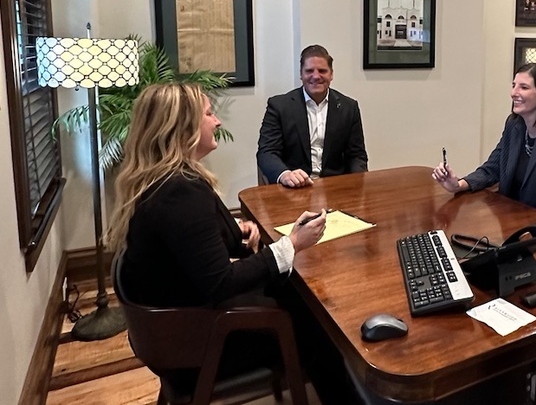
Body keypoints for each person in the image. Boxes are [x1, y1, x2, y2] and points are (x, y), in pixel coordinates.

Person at [105, 83, 356, 403]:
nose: (217, 122)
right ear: (182, 129)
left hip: (179, 325)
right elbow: (221, 283)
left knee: (294, 291)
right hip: (202, 341)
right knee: (321, 326)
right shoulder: (180, 192)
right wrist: (291, 244)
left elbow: (189, 247)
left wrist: (236, 234)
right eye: (209, 114)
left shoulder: (163, 182)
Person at [432, 63, 536, 223]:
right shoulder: (514, 125)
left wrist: (530, 224)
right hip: (511, 223)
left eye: (524, 87)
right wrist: (458, 185)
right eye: (514, 86)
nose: (514, 93)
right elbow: (492, 168)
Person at [257, 44, 368, 187]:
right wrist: (285, 175)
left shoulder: (349, 107)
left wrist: (357, 185)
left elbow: (357, 156)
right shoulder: (279, 106)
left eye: (322, 71)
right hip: (294, 187)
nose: (316, 76)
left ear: (331, 74)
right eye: (309, 71)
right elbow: (267, 152)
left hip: (336, 187)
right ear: (301, 74)